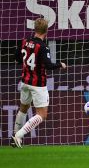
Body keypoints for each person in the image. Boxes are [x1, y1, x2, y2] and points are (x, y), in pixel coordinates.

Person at [11, 18, 66, 148]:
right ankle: (18, 135)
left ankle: (15, 137)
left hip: (25, 81)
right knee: (42, 114)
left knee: (23, 108)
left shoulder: (24, 42)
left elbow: (17, 58)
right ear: (46, 31)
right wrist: (60, 64)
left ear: (35, 29)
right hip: (38, 84)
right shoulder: (43, 47)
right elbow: (48, 65)